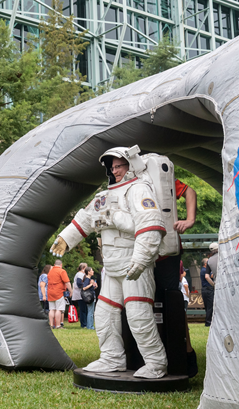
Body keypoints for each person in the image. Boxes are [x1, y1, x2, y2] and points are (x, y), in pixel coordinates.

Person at [51, 145, 168, 378]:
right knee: (104, 314)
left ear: (131, 165)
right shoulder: (104, 197)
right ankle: (112, 358)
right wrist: (65, 238)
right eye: (112, 167)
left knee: (138, 315)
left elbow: (151, 224)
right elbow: (86, 218)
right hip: (113, 268)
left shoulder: (139, 189)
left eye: (119, 166)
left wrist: (141, 258)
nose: (115, 171)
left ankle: (156, 363)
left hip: (134, 265)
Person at [46, 260, 70, 329]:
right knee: (59, 309)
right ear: (61, 265)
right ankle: (58, 325)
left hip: (50, 292)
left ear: (54, 264)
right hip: (59, 292)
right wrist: (71, 290)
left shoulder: (50, 272)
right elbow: (67, 282)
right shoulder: (62, 271)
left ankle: (51, 325)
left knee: (51, 309)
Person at [202, 243, 218, 326]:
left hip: (217, 284)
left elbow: (207, 276)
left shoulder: (209, 261)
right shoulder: (223, 257)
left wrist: (214, 285)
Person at [72, 262, 88, 329]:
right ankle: (83, 324)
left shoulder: (81, 274)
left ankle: (85, 323)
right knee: (83, 309)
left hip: (81, 294)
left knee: (84, 309)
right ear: (83, 268)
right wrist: (87, 285)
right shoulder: (80, 274)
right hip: (80, 294)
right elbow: (79, 284)